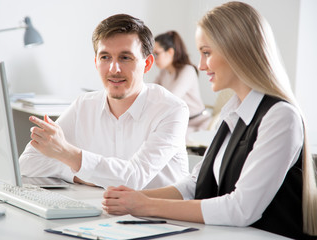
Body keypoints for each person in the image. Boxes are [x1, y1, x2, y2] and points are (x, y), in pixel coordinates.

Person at [102, 2, 317, 239]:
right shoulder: (232, 112)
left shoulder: (280, 117)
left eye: (206, 53)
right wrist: (136, 196)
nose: (201, 65)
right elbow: (196, 185)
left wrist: (144, 206)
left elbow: (240, 209)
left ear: (237, 50)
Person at [19, 14, 190, 190]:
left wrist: (66, 154)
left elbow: (133, 179)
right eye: (105, 57)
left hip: (160, 215)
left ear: (147, 64)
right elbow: (28, 162)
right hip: (103, 209)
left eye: (125, 58)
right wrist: (89, 174)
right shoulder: (84, 105)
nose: (113, 69)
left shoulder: (171, 109)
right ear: (96, 62)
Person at [153, 31, 211, 134]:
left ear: (170, 52)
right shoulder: (164, 72)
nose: (153, 59)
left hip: (198, 124)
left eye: (156, 54)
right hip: (181, 123)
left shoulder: (187, 70)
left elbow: (171, 99)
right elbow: (151, 94)